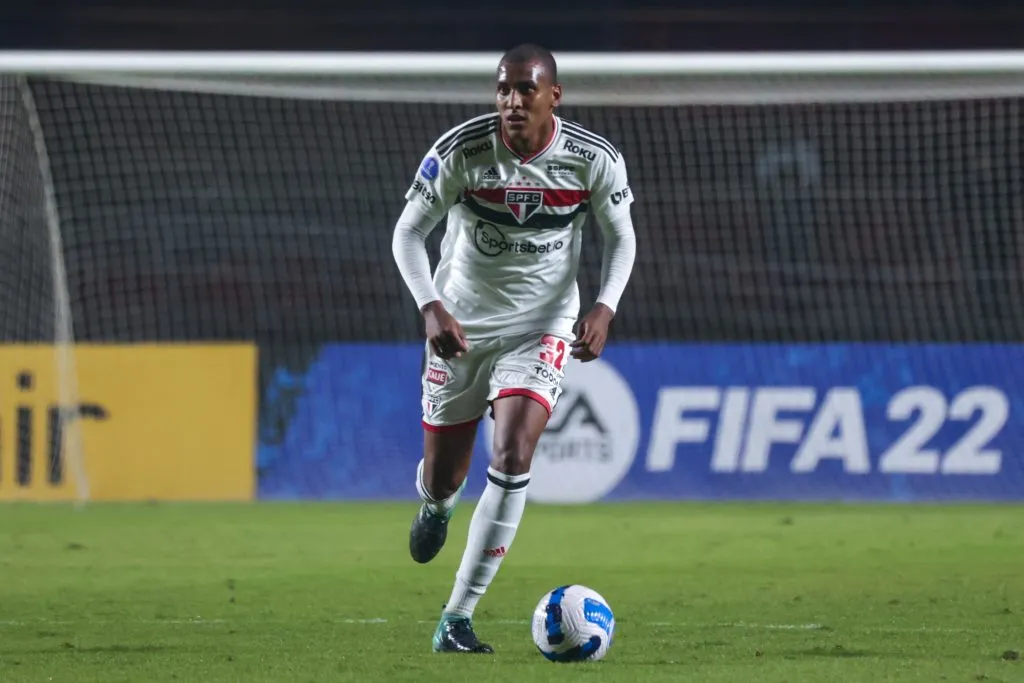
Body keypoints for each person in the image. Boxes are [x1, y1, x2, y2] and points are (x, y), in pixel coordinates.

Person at [391, 43, 637, 654]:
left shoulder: (592, 159)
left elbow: (621, 239)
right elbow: (408, 234)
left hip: (543, 326)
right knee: (448, 477)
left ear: (554, 95)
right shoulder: (462, 151)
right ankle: (436, 505)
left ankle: (456, 616)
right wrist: (431, 306)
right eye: (503, 89)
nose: (511, 101)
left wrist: (603, 307)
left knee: (514, 451)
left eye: (526, 89)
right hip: (461, 330)